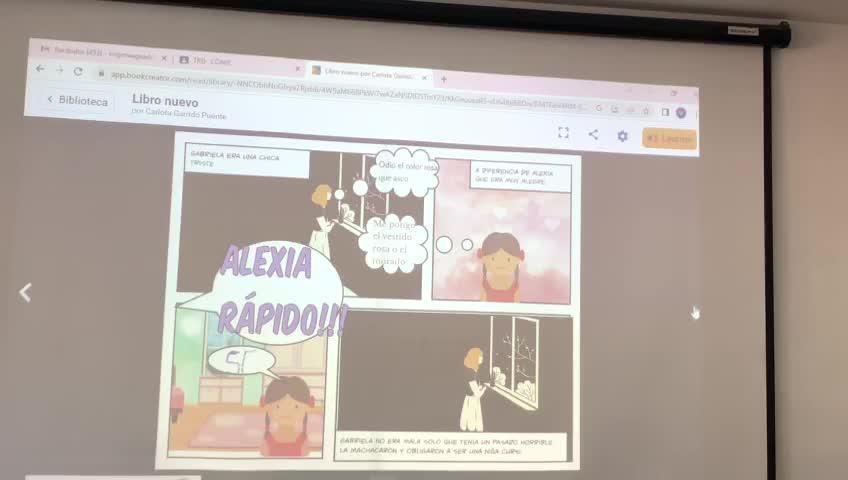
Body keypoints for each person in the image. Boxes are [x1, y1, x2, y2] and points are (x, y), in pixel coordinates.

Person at [260, 376, 315, 457]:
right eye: (278, 406)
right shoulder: (266, 440)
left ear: (307, 408)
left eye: (296, 407)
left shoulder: (304, 440)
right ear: (267, 407)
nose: (286, 412)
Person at [477, 232, 525, 302]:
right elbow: (482, 303)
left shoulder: (514, 286)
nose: (500, 263)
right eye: (493, 259)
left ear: (517, 260)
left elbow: (517, 303)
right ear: (484, 259)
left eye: (508, 259)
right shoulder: (486, 285)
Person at [460, 347, 487, 432]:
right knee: (471, 426)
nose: (482, 358)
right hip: (472, 401)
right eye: (480, 356)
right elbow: (477, 394)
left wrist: (479, 387)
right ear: (474, 357)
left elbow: (473, 387)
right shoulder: (470, 373)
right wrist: (484, 388)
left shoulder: (473, 371)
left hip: (471, 399)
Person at [309, 184, 334, 259]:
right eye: (329, 192)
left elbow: (322, 223)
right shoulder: (318, 208)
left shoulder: (322, 207)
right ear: (323, 194)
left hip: (320, 235)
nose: (330, 194)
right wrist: (333, 224)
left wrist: (329, 223)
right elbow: (326, 229)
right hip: (319, 236)